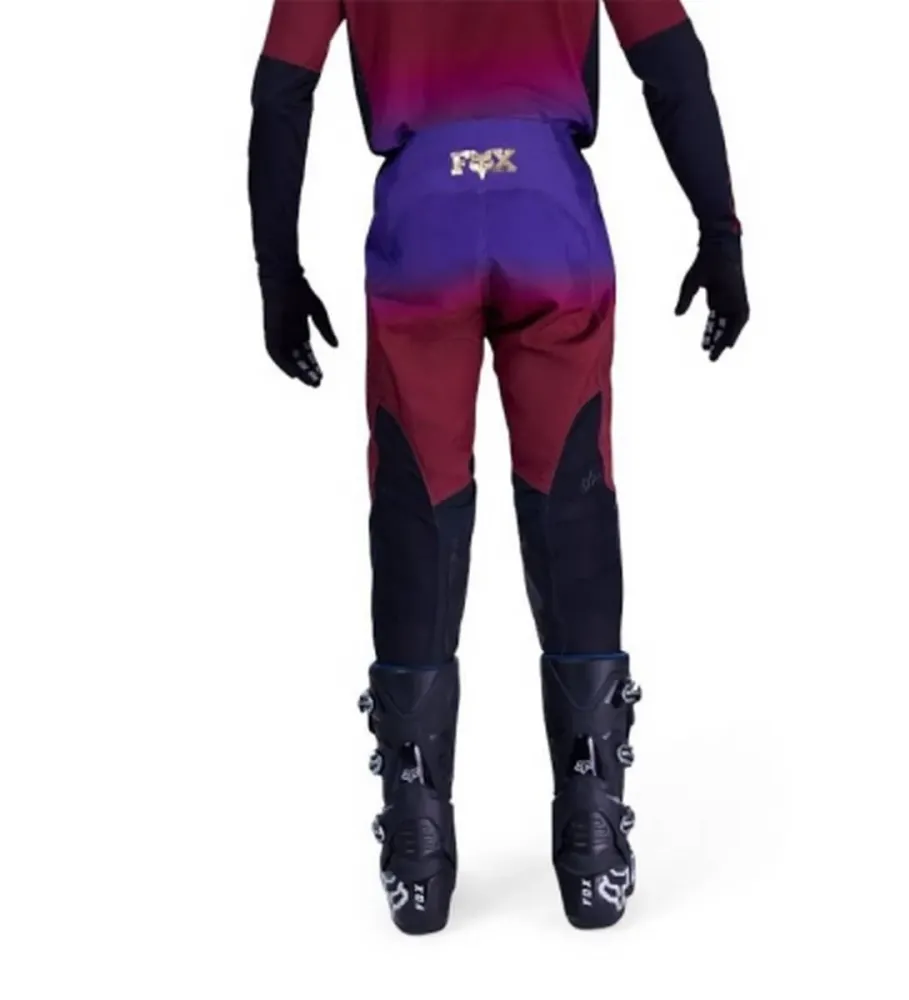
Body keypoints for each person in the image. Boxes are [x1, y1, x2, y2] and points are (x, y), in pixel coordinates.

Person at [248, 0, 749, 934]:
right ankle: (593, 839)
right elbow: (673, 64)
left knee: (417, 498)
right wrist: (718, 230)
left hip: (421, 227)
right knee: (571, 491)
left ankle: (416, 849)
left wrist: (278, 272)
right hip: (550, 216)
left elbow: (282, 92)